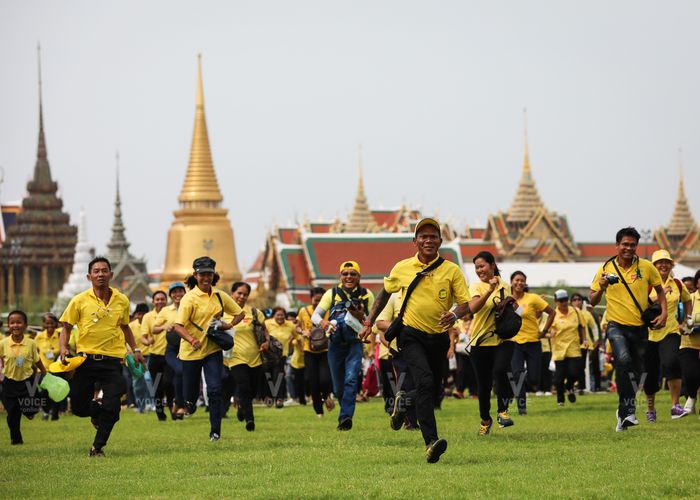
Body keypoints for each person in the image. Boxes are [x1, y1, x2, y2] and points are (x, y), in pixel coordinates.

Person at [360, 218, 471, 463]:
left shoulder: (451, 270)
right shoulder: (402, 267)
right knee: (426, 380)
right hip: (410, 335)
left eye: (433, 237)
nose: (428, 240)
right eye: (424, 236)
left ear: (441, 241)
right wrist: (368, 322)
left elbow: (465, 303)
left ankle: (404, 401)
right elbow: (384, 294)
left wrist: (454, 314)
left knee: (433, 388)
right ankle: (431, 442)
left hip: (439, 337)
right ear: (415, 241)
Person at [59, 256, 146, 456]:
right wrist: (63, 347)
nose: (100, 274)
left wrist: (136, 350)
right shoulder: (79, 300)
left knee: (113, 409)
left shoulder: (122, 300)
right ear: (89, 276)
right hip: (86, 360)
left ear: (111, 275)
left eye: (104, 270)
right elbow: (66, 327)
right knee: (79, 407)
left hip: (113, 362)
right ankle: (96, 412)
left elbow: (125, 327)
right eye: (96, 271)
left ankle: (97, 447)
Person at [589, 227, 667, 431]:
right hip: (616, 325)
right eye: (625, 244)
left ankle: (624, 413)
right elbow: (592, 299)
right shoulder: (606, 267)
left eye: (632, 245)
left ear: (636, 247)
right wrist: (603, 286)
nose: (628, 248)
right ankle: (629, 411)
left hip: (640, 327)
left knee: (636, 370)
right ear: (617, 246)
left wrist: (664, 313)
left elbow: (660, 291)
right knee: (623, 359)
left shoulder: (647, 267)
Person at [172, 257, 245, 442]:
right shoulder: (189, 298)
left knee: (215, 389)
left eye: (209, 274)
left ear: (214, 275)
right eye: (202, 274)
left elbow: (240, 313)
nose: (206, 278)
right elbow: (178, 326)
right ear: (195, 276)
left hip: (212, 350)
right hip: (191, 352)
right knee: (191, 395)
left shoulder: (220, 295)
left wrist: (228, 326)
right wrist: (191, 339)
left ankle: (215, 431)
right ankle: (189, 403)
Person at [314, 261, 375, 431]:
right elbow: (315, 316)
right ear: (340, 276)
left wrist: (362, 318)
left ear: (359, 277)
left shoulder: (366, 294)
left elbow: (374, 319)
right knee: (338, 386)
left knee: (351, 379)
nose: (349, 277)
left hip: (355, 344)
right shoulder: (331, 293)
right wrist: (324, 323)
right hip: (335, 345)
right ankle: (344, 410)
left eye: (353, 274)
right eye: (345, 273)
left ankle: (345, 417)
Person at [644, 250, 693, 421]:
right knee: (650, 374)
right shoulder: (646, 284)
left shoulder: (678, 284)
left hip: (671, 331)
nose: (663, 265)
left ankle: (675, 406)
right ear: (653, 266)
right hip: (649, 334)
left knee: (672, 363)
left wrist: (687, 320)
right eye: (659, 263)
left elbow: (687, 300)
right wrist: (659, 296)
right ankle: (650, 409)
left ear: (671, 265)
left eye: (666, 262)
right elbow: (639, 306)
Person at [510, 271, 554, 415]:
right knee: (517, 374)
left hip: (533, 341)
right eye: (517, 280)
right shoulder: (507, 300)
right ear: (511, 282)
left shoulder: (533, 298)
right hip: (515, 342)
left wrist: (544, 331)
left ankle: (525, 383)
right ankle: (522, 408)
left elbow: (552, 312)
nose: (519, 283)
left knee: (534, 379)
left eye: (522, 281)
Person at [228, 281, 269, 431]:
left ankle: (242, 407)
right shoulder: (223, 312)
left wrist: (267, 342)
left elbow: (265, 330)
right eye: (239, 293)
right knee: (244, 385)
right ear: (232, 293)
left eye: (245, 294)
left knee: (252, 389)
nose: (241, 296)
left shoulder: (253, 312)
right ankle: (250, 419)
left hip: (255, 356)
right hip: (235, 357)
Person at [0, 310, 45, 444]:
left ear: (25, 325)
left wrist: (44, 372)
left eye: (19, 322)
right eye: (12, 322)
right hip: (9, 383)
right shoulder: (3, 343)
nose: (15, 325)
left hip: (28, 382)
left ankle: (29, 412)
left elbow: (37, 360)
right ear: (8, 325)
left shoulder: (31, 343)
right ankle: (16, 439)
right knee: (13, 413)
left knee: (31, 408)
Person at [543, 290, 587, 406]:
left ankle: (569, 387)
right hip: (559, 349)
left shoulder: (576, 311)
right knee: (559, 377)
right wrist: (549, 335)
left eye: (565, 300)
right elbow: (545, 332)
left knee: (575, 373)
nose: (564, 303)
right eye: (561, 300)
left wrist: (585, 339)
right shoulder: (553, 314)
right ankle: (560, 398)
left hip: (574, 348)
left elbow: (582, 326)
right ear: (556, 301)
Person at [297, 287, 334, 417]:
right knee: (313, 382)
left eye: (320, 300)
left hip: (325, 350)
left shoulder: (329, 311)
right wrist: (303, 332)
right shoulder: (304, 311)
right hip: (309, 351)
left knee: (325, 379)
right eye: (315, 300)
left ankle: (327, 395)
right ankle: (319, 411)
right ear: (311, 298)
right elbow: (297, 326)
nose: (318, 303)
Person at [141, 290, 175, 421]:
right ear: (153, 301)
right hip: (155, 356)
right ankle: (160, 411)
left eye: (162, 299)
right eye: (157, 299)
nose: (160, 301)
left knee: (169, 383)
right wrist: (148, 341)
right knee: (157, 386)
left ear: (167, 301)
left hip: (170, 356)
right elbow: (143, 337)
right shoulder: (148, 317)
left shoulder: (172, 314)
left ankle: (173, 409)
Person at [163, 282, 186, 419]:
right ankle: (177, 403)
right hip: (171, 348)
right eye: (174, 292)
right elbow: (155, 328)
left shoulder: (190, 306)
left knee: (183, 375)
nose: (178, 294)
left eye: (180, 291)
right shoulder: (166, 311)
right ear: (171, 295)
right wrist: (165, 326)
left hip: (187, 346)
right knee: (178, 372)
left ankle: (181, 404)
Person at [264, 307, 296, 408]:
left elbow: (296, 335)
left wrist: (293, 341)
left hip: (282, 355)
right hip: (268, 354)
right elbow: (262, 334)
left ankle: (279, 399)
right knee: (268, 375)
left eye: (282, 315)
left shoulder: (290, 325)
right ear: (273, 315)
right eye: (278, 315)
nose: (280, 317)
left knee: (278, 376)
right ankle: (269, 395)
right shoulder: (267, 323)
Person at [35, 313, 62, 420]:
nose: (49, 325)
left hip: (56, 369)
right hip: (42, 370)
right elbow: (35, 351)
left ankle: (55, 413)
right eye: (47, 323)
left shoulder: (60, 335)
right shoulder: (39, 337)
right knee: (43, 392)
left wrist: (52, 352)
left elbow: (62, 348)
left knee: (55, 392)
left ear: (56, 323)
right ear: (44, 324)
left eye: (52, 323)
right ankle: (46, 412)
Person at [570, 293, 599, 394]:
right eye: (574, 300)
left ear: (582, 302)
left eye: (579, 300)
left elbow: (594, 327)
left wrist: (596, 339)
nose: (577, 302)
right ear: (571, 302)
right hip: (570, 344)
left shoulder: (586, 313)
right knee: (572, 367)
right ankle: (572, 386)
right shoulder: (568, 313)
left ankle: (581, 387)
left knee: (582, 366)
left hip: (584, 344)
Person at [679, 270, 699, 415]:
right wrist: (683, 326)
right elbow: (681, 319)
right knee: (690, 375)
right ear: (697, 282)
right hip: (688, 343)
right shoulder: (689, 299)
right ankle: (691, 396)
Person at [128, 303, 151, 414]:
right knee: (137, 384)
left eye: (143, 314)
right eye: (139, 314)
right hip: (135, 358)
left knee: (149, 380)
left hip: (150, 356)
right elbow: (125, 341)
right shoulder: (131, 326)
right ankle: (140, 406)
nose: (141, 316)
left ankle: (151, 404)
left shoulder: (151, 323)